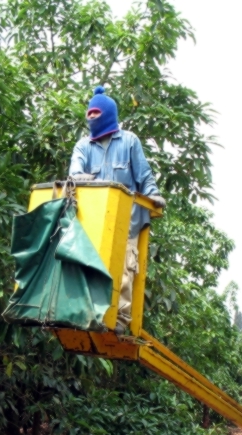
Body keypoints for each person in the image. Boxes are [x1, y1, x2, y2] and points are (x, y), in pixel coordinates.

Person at [69, 86, 166, 335]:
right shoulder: (83, 146)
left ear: (107, 114)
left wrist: (154, 196)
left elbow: (144, 176)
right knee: (91, 269)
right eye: (89, 114)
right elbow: (74, 175)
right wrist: (82, 179)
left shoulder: (129, 141)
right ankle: (87, 314)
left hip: (126, 223)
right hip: (93, 224)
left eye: (96, 114)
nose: (92, 118)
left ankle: (120, 320)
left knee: (123, 270)